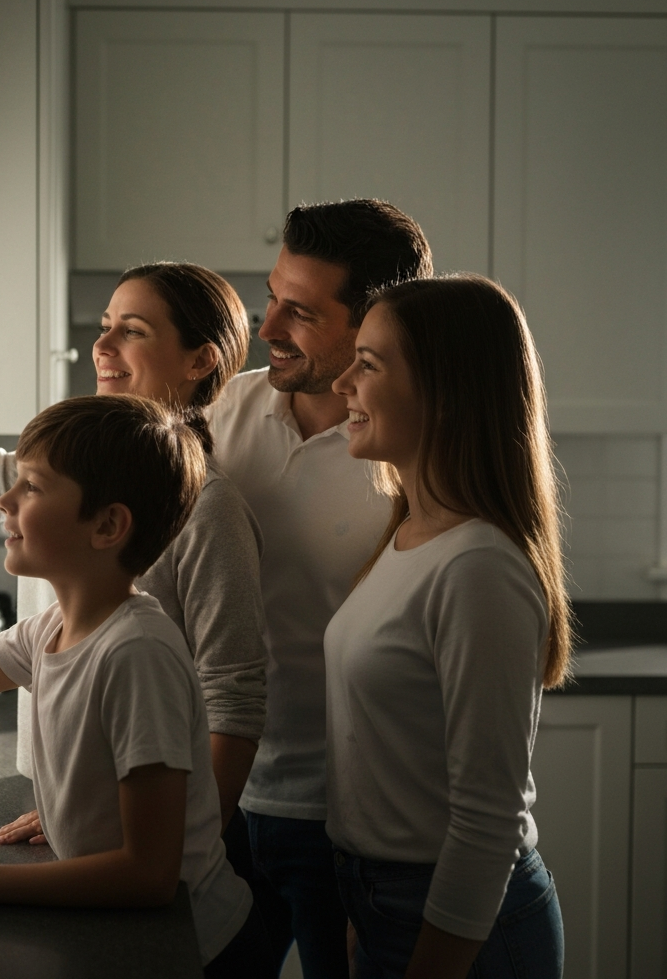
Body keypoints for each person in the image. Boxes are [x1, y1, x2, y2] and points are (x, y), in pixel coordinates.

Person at [0, 394, 272, 977]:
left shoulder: (137, 654)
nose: (5, 500)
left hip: (196, 948)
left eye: (33, 487)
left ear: (108, 525)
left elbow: (148, 876)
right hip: (130, 930)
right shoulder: (53, 631)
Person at [0, 263, 267, 840]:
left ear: (200, 360)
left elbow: (233, 701)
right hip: (74, 808)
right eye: (105, 325)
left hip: (134, 825)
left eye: (133, 330)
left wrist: (180, 839)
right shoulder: (72, 474)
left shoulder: (208, 512)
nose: (100, 346)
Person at [207, 199, 432, 978]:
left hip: (350, 827)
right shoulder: (216, 414)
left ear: (374, 324)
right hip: (223, 795)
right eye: (272, 296)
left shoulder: (413, 456)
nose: (266, 327)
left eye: (299, 312)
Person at [327, 275, 568, 978]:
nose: (343, 381)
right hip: (387, 904)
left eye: (368, 364)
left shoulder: (478, 567)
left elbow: (487, 823)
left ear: (447, 391)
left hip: (462, 929)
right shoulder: (408, 537)